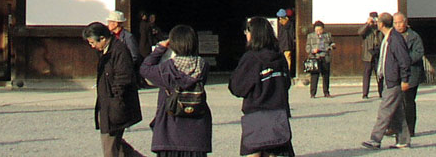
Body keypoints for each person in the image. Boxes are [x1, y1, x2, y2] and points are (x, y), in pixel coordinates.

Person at [139, 24, 212, 157]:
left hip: (170, 129)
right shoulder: (203, 66)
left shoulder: (166, 69)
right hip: (197, 131)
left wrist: (160, 49)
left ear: (173, 44)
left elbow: (144, 68)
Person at [229, 16, 294, 157]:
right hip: (278, 117)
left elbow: (237, 88)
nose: (246, 34)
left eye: (247, 31)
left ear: (254, 34)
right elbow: (286, 84)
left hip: (256, 119)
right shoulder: (280, 58)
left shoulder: (251, 58)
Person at [83, 21, 145, 157]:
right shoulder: (105, 51)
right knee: (116, 144)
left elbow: (123, 78)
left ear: (103, 38)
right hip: (108, 103)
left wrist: (115, 100)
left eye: (93, 43)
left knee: (109, 144)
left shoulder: (119, 50)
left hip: (115, 104)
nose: (92, 46)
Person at [361, 12, 411, 150]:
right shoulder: (388, 37)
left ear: (381, 24)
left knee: (385, 110)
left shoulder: (395, 39)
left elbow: (404, 60)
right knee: (397, 111)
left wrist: (405, 79)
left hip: (393, 80)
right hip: (388, 79)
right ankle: (403, 140)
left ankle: (375, 139)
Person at [393, 12, 424, 137]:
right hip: (397, 73)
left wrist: (405, 60)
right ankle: (396, 127)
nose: (398, 25)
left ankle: (410, 129)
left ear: (405, 22)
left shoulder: (413, 36)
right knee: (395, 101)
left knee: (409, 101)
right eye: (395, 23)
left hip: (412, 73)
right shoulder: (392, 36)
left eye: (400, 22)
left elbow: (419, 52)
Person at [305, 20, 334, 98]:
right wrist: (312, 51)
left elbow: (332, 43)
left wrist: (330, 47)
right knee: (314, 76)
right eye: (317, 30)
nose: (318, 32)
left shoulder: (327, 35)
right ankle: (313, 93)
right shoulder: (310, 36)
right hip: (315, 57)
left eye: (320, 30)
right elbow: (307, 47)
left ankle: (326, 92)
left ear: (323, 29)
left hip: (325, 56)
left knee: (326, 76)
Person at [359, 11, 382, 99]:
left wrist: (379, 24)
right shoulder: (366, 28)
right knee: (367, 73)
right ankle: (365, 93)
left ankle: (381, 92)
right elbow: (360, 32)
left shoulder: (379, 27)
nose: (374, 20)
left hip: (378, 52)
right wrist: (368, 24)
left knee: (379, 74)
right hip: (368, 54)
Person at [276, 9, 295, 77]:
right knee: (288, 60)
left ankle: (282, 73)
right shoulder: (290, 24)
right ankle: (287, 73)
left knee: (281, 59)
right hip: (288, 44)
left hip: (281, 44)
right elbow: (292, 34)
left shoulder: (279, 24)